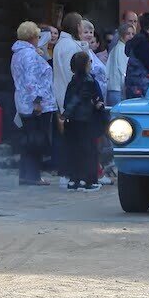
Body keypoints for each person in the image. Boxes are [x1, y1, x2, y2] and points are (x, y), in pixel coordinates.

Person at [10, 21, 56, 186]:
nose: (39, 39)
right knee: (35, 140)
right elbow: (32, 80)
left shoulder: (18, 53)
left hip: (23, 101)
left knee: (29, 139)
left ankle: (26, 174)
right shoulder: (29, 55)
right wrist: (37, 101)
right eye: (37, 36)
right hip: (35, 104)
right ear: (32, 37)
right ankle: (33, 175)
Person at [61, 51, 104, 192]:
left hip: (72, 121)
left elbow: (67, 101)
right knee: (89, 151)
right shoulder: (90, 81)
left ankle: (74, 179)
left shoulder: (72, 82)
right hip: (87, 120)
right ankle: (89, 181)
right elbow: (96, 100)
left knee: (74, 150)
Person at [51, 13, 86, 184]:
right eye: (80, 24)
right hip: (69, 96)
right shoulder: (71, 46)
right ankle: (70, 174)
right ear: (76, 26)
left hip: (61, 94)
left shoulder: (61, 44)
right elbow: (72, 73)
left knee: (66, 137)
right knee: (73, 139)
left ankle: (67, 173)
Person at [105, 22, 133, 105]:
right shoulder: (122, 49)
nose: (131, 36)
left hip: (113, 88)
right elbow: (123, 72)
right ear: (122, 35)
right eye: (128, 34)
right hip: (118, 90)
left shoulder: (116, 48)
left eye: (133, 34)